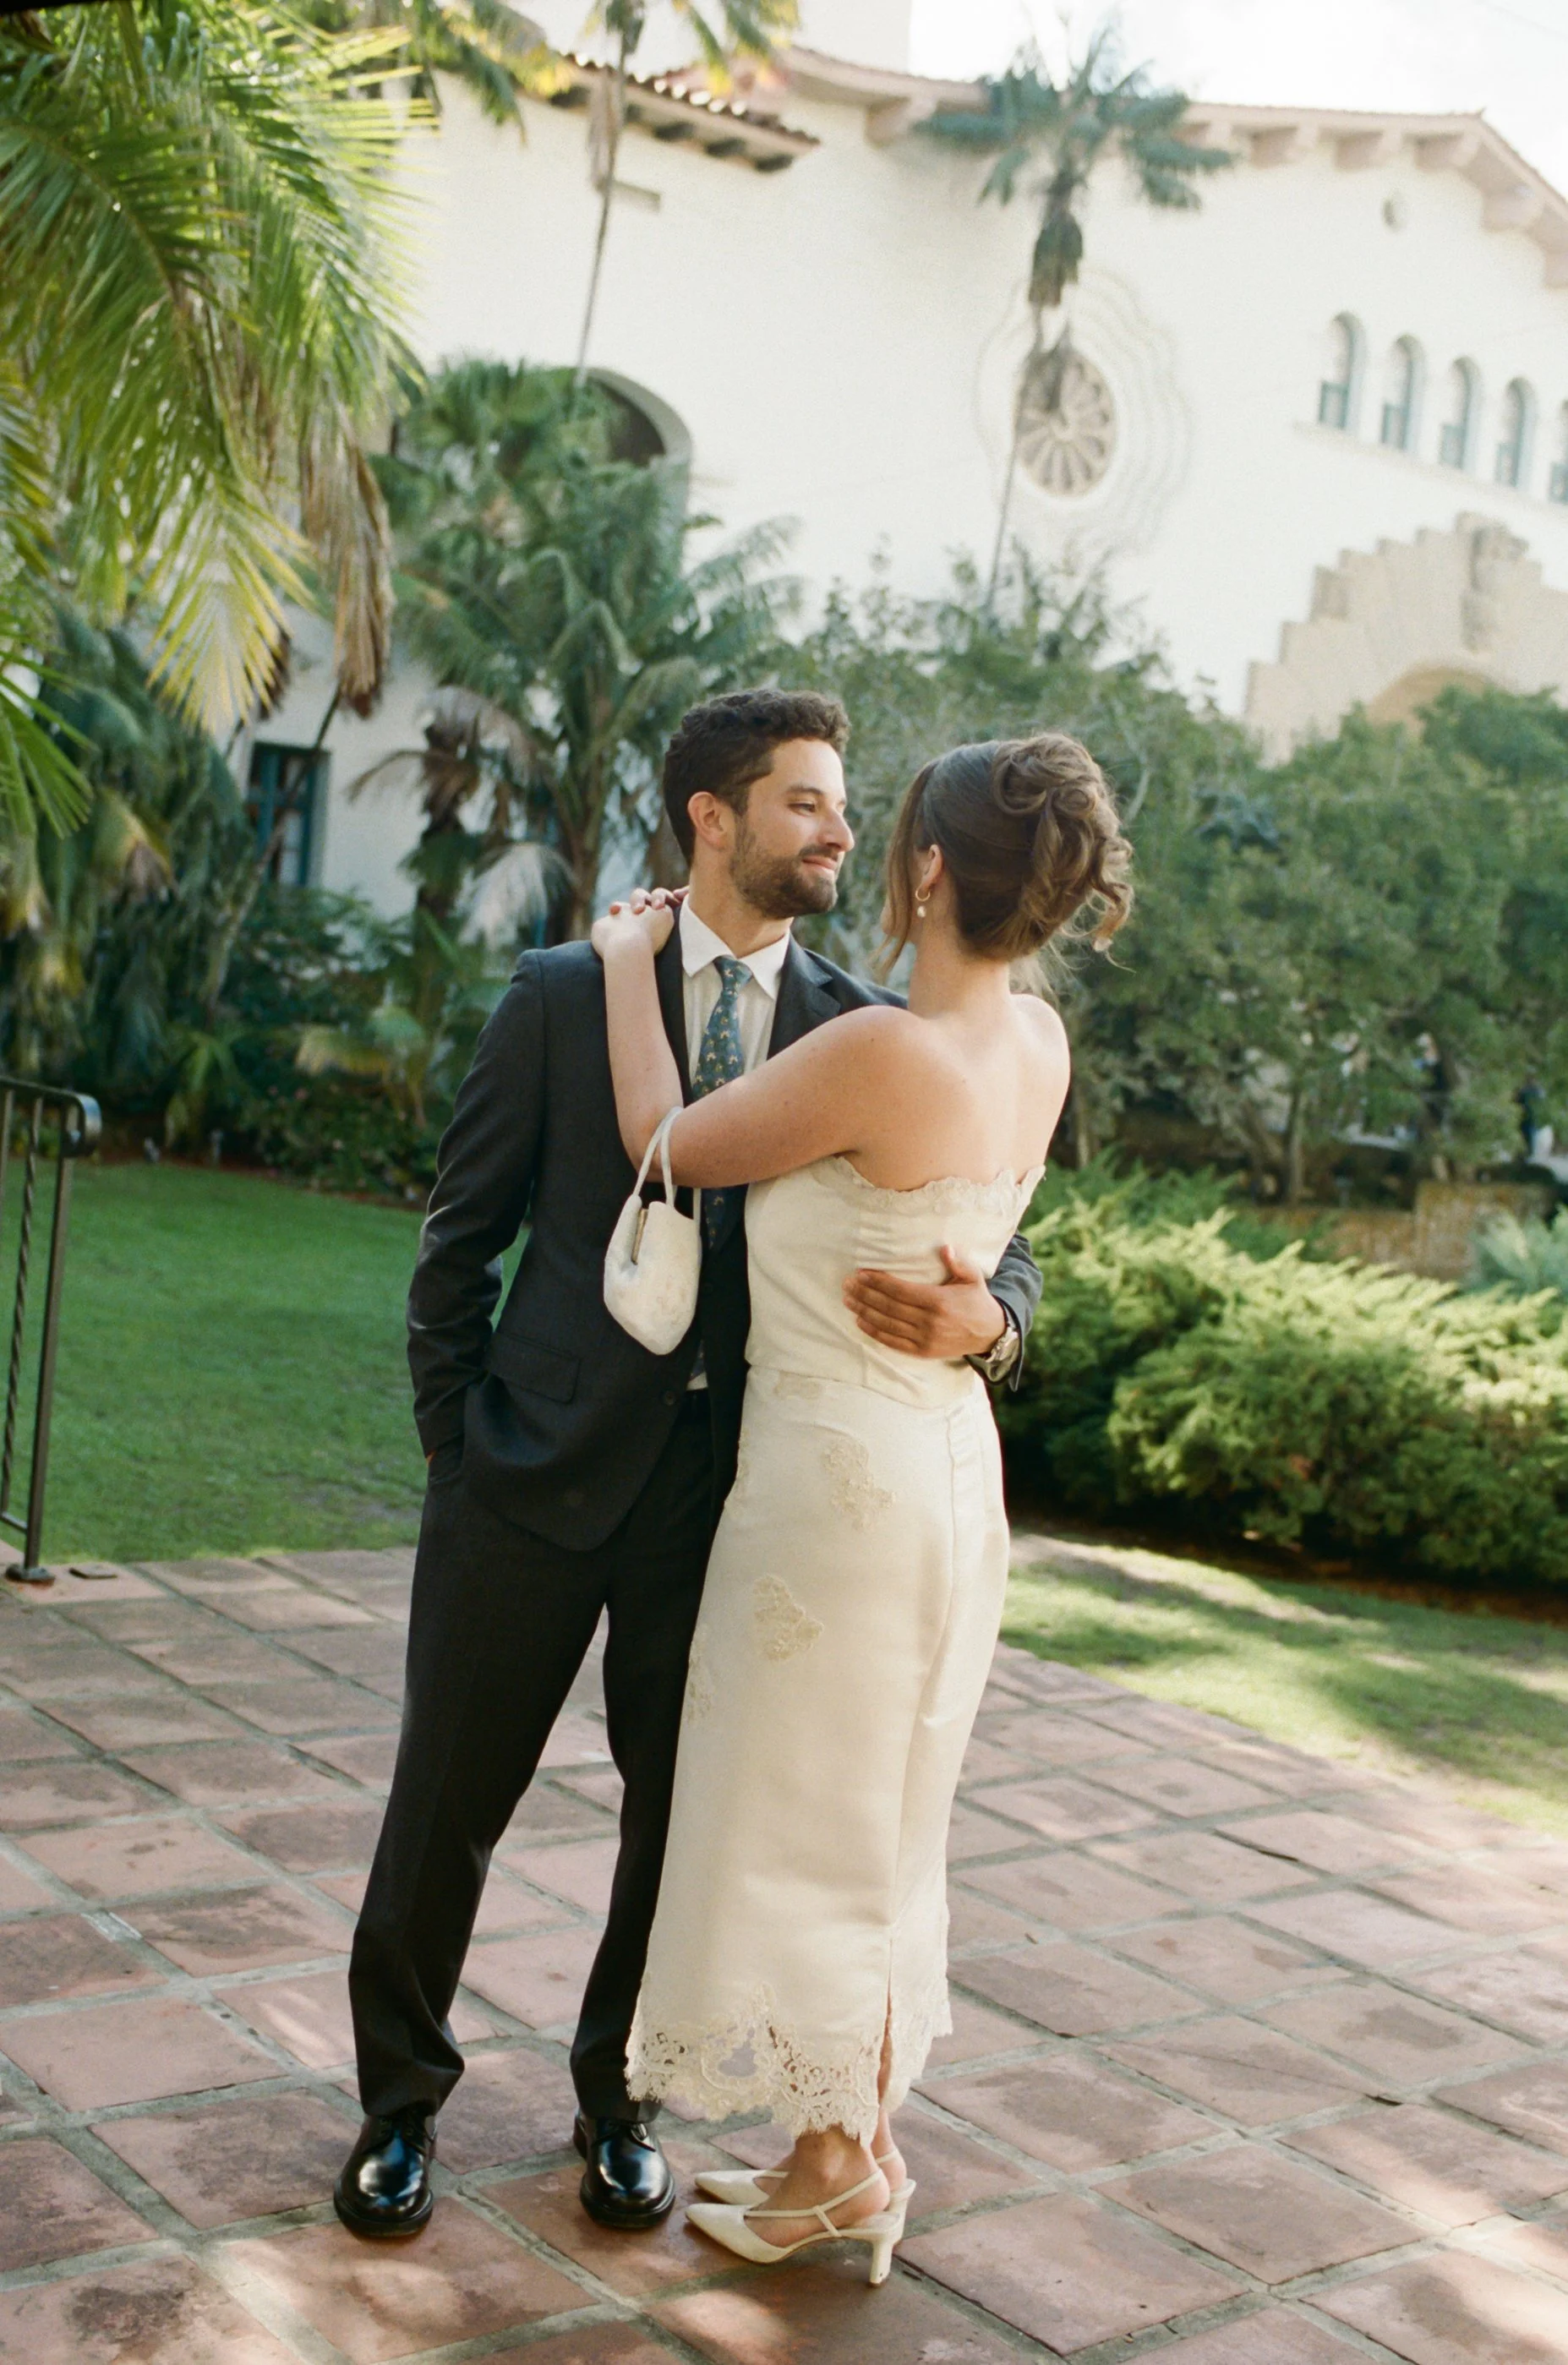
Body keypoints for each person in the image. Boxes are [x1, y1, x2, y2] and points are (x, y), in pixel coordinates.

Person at [334, 691, 1044, 2240]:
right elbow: (458, 1247)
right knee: (446, 1799)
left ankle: (616, 2103)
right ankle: (399, 2103)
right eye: (803, 801)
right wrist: (460, 1450)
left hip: (726, 1508)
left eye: (848, 805)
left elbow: (1005, 1235)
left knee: (678, 1822)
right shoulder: (556, 991)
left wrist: (986, 1311)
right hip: (524, 1479)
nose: (840, 832)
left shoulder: (867, 1026)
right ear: (710, 818)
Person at [590, 730, 1130, 2284]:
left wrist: (635, 961)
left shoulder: (878, 1053)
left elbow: (663, 1148)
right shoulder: (1036, 1046)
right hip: (951, 1480)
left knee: (812, 1821)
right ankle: (856, 2138)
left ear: (933, 868)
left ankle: (835, 2164)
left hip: (837, 1494)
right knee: (887, 1821)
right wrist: (990, 1323)